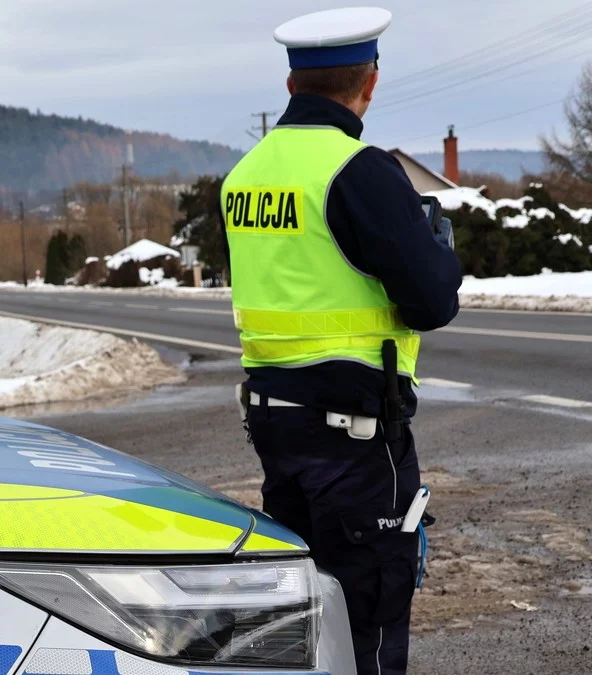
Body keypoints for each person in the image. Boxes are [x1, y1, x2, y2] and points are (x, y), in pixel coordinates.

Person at [219, 7, 462, 675]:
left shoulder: (244, 177)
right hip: (354, 445)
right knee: (368, 632)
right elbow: (432, 301)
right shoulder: (357, 171)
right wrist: (439, 247)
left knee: (301, 625)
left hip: (276, 427)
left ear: (293, 85)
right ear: (370, 84)